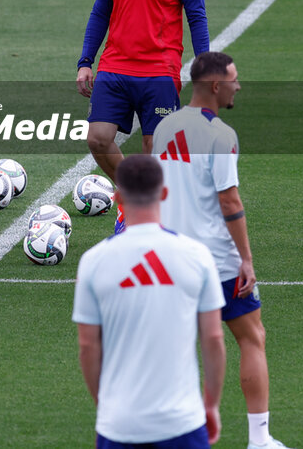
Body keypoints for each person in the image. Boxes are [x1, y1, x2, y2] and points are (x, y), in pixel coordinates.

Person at [152, 51, 291, 449]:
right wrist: (246, 259)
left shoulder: (164, 127)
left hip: (170, 256)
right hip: (215, 260)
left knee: (176, 349)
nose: (238, 85)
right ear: (215, 85)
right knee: (251, 338)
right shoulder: (221, 134)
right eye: (233, 79)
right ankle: (259, 440)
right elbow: (229, 201)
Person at [73, 154, 227, 448]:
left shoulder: (93, 262)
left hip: (119, 425)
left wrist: (106, 408)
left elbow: (88, 346)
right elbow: (213, 337)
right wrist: (211, 405)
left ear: (117, 197)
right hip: (183, 423)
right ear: (165, 193)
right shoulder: (197, 256)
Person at [76, 0, 210, 173]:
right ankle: (130, 199)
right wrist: (86, 61)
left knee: (154, 147)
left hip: (160, 69)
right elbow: (100, 13)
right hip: (115, 66)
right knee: (98, 139)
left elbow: (196, 17)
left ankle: (149, 209)